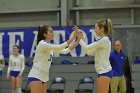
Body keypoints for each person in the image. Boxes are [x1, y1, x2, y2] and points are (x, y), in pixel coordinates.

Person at [28, 25, 80, 93]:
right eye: (51, 32)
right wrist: (73, 37)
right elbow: (60, 47)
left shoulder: (48, 45)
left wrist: (78, 40)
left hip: (44, 77)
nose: (53, 33)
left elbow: (65, 51)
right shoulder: (42, 44)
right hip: (36, 75)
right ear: (45, 34)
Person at [78, 19, 113, 93]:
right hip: (101, 71)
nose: (94, 30)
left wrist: (80, 40)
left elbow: (87, 48)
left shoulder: (104, 40)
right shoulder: (101, 41)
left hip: (105, 71)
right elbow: (88, 52)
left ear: (102, 29)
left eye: (96, 28)